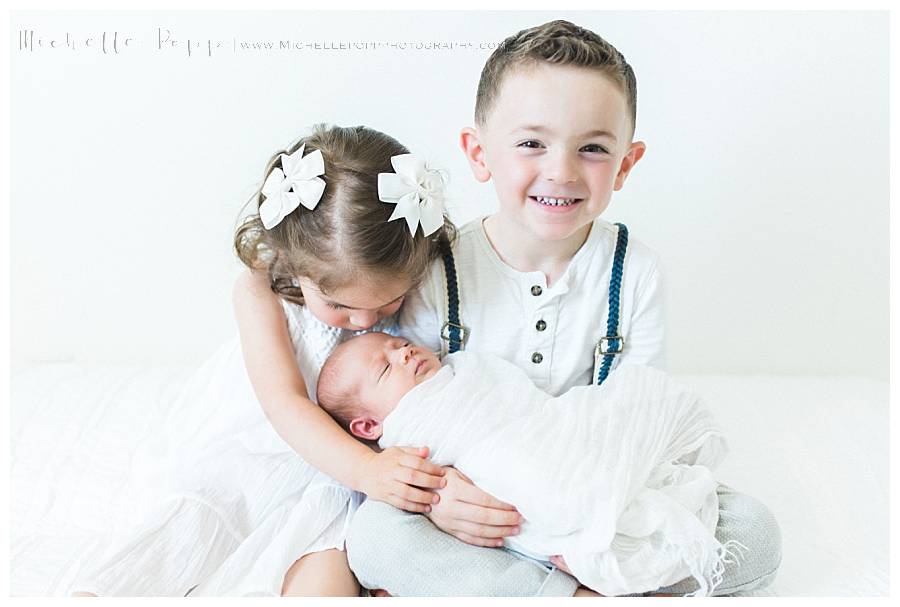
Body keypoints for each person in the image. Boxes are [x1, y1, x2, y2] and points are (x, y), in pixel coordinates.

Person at [346, 20, 781, 596]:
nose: (562, 170)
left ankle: (549, 578)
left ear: (626, 164)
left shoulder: (635, 271)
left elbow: (640, 407)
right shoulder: (440, 266)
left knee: (754, 534)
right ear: (479, 153)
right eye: (531, 143)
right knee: (376, 536)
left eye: (594, 149)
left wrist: (603, 500)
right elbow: (404, 416)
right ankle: (573, 592)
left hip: (599, 478)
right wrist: (444, 495)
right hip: (485, 496)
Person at [69, 124, 456, 596]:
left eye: (386, 302)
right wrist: (368, 472)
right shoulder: (259, 294)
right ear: (294, 264)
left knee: (326, 564)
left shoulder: (414, 289)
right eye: (339, 306)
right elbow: (284, 405)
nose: (362, 321)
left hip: (333, 476)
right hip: (257, 453)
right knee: (189, 532)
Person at [318, 331, 731, 596]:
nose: (405, 353)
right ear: (369, 425)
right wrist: (435, 495)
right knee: (375, 535)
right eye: (387, 366)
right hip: (496, 493)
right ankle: (579, 559)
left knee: (752, 529)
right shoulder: (404, 435)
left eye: (400, 344)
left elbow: (525, 402)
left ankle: (582, 549)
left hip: (558, 434)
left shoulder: (463, 367)